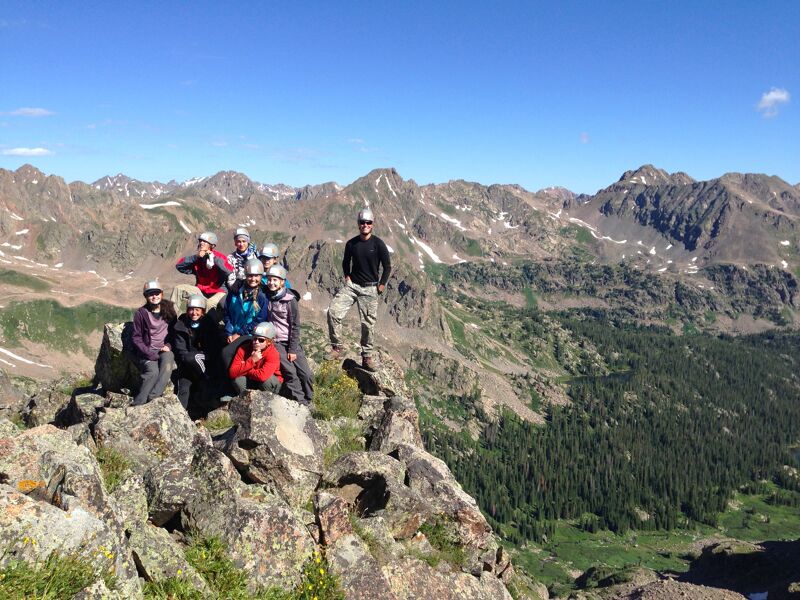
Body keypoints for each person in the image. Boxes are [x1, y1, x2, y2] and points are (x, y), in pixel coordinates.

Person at [327, 207, 391, 370]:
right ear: (358, 224)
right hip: (352, 286)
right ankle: (337, 347)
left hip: (370, 288)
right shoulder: (351, 244)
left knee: (368, 324)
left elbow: (387, 266)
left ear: (372, 224)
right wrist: (347, 276)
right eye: (362, 222)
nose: (365, 225)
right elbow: (345, 262)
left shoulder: (378, 244)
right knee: (333, 312)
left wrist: (381, 285)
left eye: (368, 222)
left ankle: (367, 357)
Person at [264, 265, 313, 406]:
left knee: (306, 374)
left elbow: (295, 326)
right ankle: (301, 402)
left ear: (282, 282)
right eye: (269, 279)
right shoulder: (266, 296)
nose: (271, 283)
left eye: (275, 280)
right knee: (290, 373)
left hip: (291, 341)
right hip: (276, 342)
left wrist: (292, 349)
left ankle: (310, 398)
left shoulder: (290, 300)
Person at [131, 279, 177, 405]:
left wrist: (169, 345)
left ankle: (154, 396)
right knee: (152, 372)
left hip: (163, 349)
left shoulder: (169, 309)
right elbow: (136, 338)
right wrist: (149, 354)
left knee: (168, 362)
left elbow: (174, 332)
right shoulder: (141, 313)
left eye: (157, 293)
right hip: (147, 351)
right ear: (146, 296)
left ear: (162, 294)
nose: (154, 296)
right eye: (150, 294)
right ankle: (139, 403)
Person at [172, 294, 219, 411]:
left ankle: (205, 377)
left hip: (205, 359)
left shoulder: (209, 323)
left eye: (197, 310)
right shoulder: (181, 324)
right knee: (183, 389)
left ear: (202, 311)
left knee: (205, 384)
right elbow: (181, 350)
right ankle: (181, 416)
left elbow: (213, 347)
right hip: (187, 363)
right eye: (191, 309)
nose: (194, 313)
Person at [171, 232, 232, 313]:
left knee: (209, 304)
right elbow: (179, 266)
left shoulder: (219, 257)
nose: (201, 243)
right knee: (179, 289)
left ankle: (204, 321)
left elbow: (229, 270)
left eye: (205, 241)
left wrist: (213, 258)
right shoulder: (197, 259)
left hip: (218, 291)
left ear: (212, 245)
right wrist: (195, 257)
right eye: (200, 241)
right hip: (201, 290)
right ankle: (172, 316)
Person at [227, 321, 283, 394]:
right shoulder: (243, 349)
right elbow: (232, 372)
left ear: (269, 342)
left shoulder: (273, 354)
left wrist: (244, 368)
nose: (256, 342)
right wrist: (252, 360)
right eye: (254, 338)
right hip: (252, 380)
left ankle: (267, 399)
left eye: (261, 340)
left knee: (267, 381)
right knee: (238, 380)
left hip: (269, 383)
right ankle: (247, 398)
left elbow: (262, 376)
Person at [223, 259, 269, 344]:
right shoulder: (235, 290)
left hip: (250, 336)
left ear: (261, 276)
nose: (253, 279)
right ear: (245, 275)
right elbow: (226, 312)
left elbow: (259, 320)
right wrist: (229, 331)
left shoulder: (262, 296)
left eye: (256, 276)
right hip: (232, 332)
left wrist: (239, 334)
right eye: (250, 276)